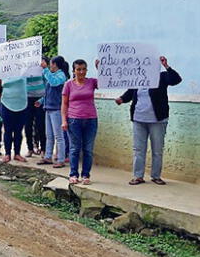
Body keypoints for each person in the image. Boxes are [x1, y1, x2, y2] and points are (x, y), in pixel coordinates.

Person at [113, 56, 182, 186]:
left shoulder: (161, 77)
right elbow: (130, 93)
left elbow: (176, 79)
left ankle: (156, 176)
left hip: (157, 120)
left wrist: (166, 66)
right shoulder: (137, 78)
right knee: (138, 149)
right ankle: (138, 176)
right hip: (139, 119)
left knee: (157, 150)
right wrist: (121, 99)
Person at [62, 59, 98, 184]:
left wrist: (100, 69)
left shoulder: (92, 82)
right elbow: (64, 104)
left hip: (91, 119)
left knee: (88, 149)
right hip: (73, 120)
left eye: (83, 69)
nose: (81, 72)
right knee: (74, 149)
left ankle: (86, 175)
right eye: (78, 69)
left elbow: (106, 83)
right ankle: (73, 174)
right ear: (74, 71)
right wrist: (64, 120)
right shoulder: (68, 85)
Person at [37, 56, 68, 168]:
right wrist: (41, 101)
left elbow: (54, 83)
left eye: (51, 64)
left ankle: (61, 159)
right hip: (48, 107)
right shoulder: (52, 75)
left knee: (59, 136)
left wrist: (45, 70)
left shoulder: (61, 75)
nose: (50, 66)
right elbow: (48, 92)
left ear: (55, 64)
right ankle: (48, 157)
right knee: (49, 135)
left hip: (56, 109)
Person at [0, 75, 28, 163]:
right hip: (6, 103)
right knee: (8, 130)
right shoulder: (4, 70)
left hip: (22, 103)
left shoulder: (24, 70)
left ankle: (17, 153)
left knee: (18, 130)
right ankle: (7, 153)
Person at [24, 67, 46, 157]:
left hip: (40, 99)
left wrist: (43, 99)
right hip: (27, 99)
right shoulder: (23, 69)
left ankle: (43, 149)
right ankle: (30, 148)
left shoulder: (43, 70)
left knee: (41, 125)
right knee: (27, 125)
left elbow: (47, 84)